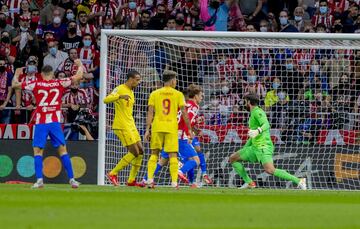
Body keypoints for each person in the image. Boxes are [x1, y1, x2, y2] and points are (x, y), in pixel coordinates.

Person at [11, 59, 84, 189]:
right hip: (55, 122)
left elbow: (15, 85)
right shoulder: (59, 82)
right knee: (63, 151)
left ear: (42, 74)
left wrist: (16, 74)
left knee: (38, 152)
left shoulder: (35, 83)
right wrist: (79, 64)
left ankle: (39, 181)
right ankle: (72, 180)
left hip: (41, 123)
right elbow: (79, 76)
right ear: (52, 74)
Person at [228, 93, 307, 190]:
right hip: (254, 147)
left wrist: (258, 131)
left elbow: (266, 124)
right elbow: (252, 136)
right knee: (233, 158)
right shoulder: (253, 113)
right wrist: (245, 149)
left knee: (270, 170)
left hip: (263, 146)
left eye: (245, 101)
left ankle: (299, 180)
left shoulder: (257, 112)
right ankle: (250, 183)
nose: (243, 104)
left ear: (248, 102)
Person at [144, 70, 193, 188]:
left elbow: (150, 112)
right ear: (172, 81)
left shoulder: (154, 93)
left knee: (154, 153)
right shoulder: (178, 94)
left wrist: (147, 129)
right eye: (175, 80)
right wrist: (189, 130)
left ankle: (150, 180)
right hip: (171, 127)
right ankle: (174, 183)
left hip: (157, 126)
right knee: (173, 155)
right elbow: (185, 113)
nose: (176, 82)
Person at [104, 70, 144, 187]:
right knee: (134, 152)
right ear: (130, 79)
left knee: (141, 151)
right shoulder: (120, 88)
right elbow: (105, 100)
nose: (138, 82)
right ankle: (113, 173)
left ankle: (131, 180)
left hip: (131, 124)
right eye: (137, 80)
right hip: (122, 125)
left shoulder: (131, 92)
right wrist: (119, 96)